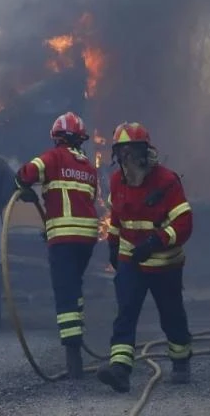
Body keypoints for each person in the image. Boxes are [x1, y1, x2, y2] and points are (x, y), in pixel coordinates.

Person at [96, 122, 194, 393]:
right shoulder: (117, 180)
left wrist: (155, 241)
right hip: (131, 262)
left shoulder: (166, 181)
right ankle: (120, 371)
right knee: (125, 313)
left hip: (165, 264)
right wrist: (114, 245)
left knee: (171, 315)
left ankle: (181, 360)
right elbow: (116, 216)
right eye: (122, 152)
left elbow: (184, 223)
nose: (127, 158)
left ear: (145, 151)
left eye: (132, 151)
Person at [15, 112, 99, 379]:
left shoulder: (53, 157)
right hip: (86, 238)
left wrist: (22, 186)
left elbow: (27, 172)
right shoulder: (88, 167)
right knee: (75, 289)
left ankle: (73, 357)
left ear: (58, 138)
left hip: (63, 238)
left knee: (65, 295)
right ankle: (78, 340)